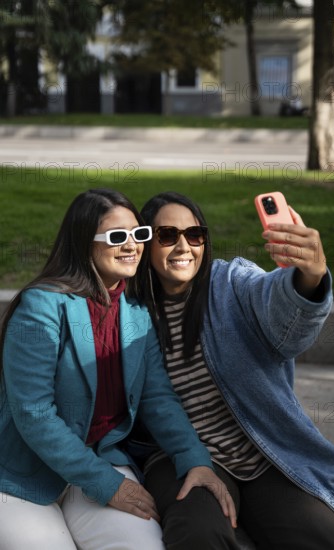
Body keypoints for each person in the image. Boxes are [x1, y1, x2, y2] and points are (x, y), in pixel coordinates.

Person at [0, 188, 236, 550]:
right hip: (23, 475)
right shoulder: (41, 307)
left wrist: (195, 460)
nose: (131, 245)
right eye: (116, 236)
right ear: (84, 243)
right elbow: (35, 414)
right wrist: (108, 484)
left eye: (139, 234)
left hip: (99, 461)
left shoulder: (137, 312)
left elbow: (158, 398)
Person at [129, 191, 334, 550]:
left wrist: (309, 275)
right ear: (146, 243)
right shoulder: (131, 313)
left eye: (194, 235)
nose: (183, 247)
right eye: (166, 236)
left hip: (260, 450)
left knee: (322, 539)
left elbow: (277, 305)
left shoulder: (230, 283)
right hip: (178, 455)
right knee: (198, 533)